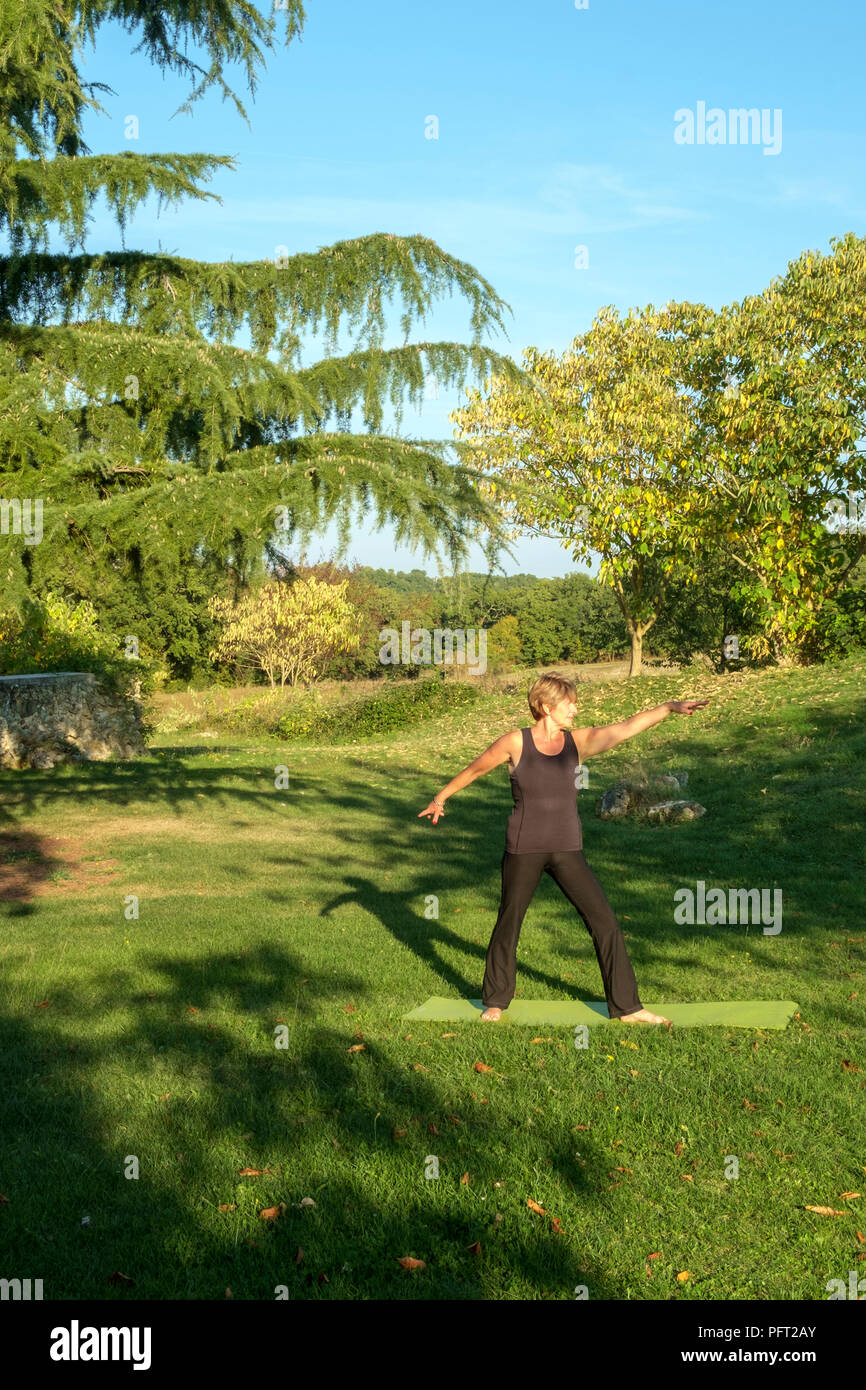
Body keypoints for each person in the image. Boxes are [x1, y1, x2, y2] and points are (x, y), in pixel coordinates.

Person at [418, 672, 710, 1026]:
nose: (576, 708)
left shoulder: (578, 743)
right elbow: (475, 769)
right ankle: (495, 1001)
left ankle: (628, 1008)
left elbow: (626, 727)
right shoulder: (516, 743)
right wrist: (440, 798)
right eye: (568, 702)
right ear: (545, 707)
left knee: (605, 923)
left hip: (567, 849)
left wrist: (667, 708)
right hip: (524, 849)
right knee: (509, 922)